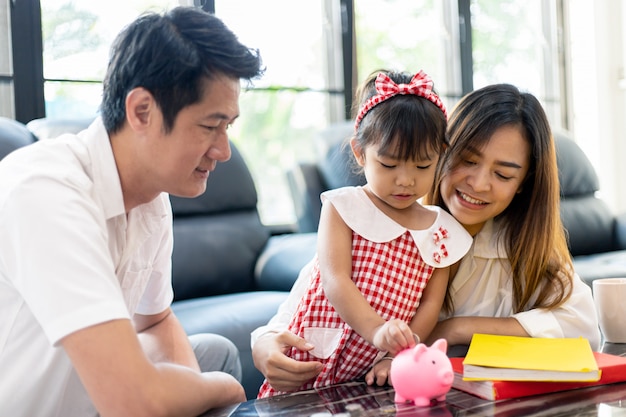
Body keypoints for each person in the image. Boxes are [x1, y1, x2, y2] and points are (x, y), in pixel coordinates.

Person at [251, 83, 600, 392]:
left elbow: (584, 331)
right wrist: (265, 347)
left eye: (503, 174)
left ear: (523, 183)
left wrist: (457, 328)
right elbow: (306, 304)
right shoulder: (375, 225)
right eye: (467, 160)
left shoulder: (523, 248)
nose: (478, 184)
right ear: (441, 151)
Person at [0, 6, 263, 417]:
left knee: (215, 352)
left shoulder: (151, 202)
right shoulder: (46, 191)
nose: (223, 150)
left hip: (100, 398)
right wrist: (224, 389)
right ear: (142, 110)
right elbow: (132, 403)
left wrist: (195, 393)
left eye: (227, 126)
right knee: (220, 378)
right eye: (210, 125)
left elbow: (155, 321)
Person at [257, 70, 472, 398]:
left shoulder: (441, 230)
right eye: (389, 165)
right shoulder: (345, 206)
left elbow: (430, 303)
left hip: (375, 369)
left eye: (422, 166)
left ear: (441, 156)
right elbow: (335, 279)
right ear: (359, 152)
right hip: (315, 354)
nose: (405, 180)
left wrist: (395, 354)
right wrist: (377, 330)